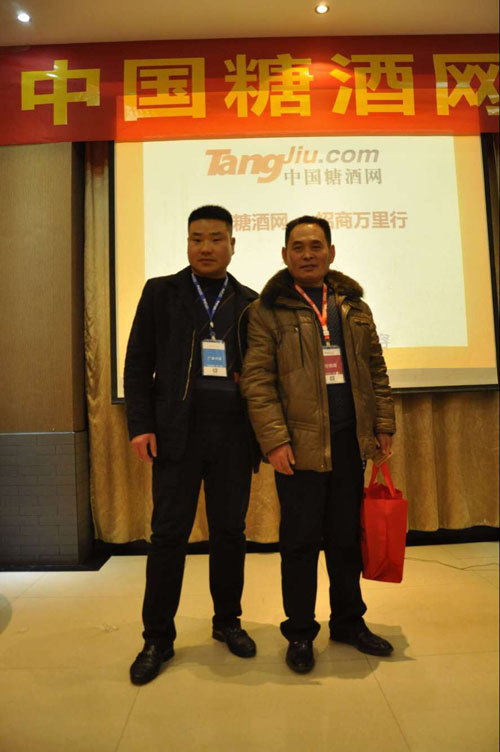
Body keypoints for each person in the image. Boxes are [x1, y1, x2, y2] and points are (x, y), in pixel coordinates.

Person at [240, 215, 396, 674]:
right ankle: (300, 633)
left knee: (346, 541)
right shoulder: (266, 311)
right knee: (300, 545)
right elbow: (258, 382)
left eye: (315, 246)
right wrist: (274, 441)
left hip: (349, 443)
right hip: (298, 448)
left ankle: (348, 622)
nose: (307, 254)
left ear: (331, 252)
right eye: (298, 247)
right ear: (284, 254)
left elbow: (376, 370)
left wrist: (383, 424)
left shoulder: (354, 307)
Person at [124, 205, 258, 685]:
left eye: (216, 238)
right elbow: (137, 362)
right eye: (197, 238)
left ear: (232, 245)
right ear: (186, 243)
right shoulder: (161, 292)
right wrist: (140, 426)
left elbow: (262, 372)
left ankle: (228, 622)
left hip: (233, 437)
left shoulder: (250, 302)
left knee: (230, 533)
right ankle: (157, 639)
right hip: (176, 435)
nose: (206, 247)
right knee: (167, 537)